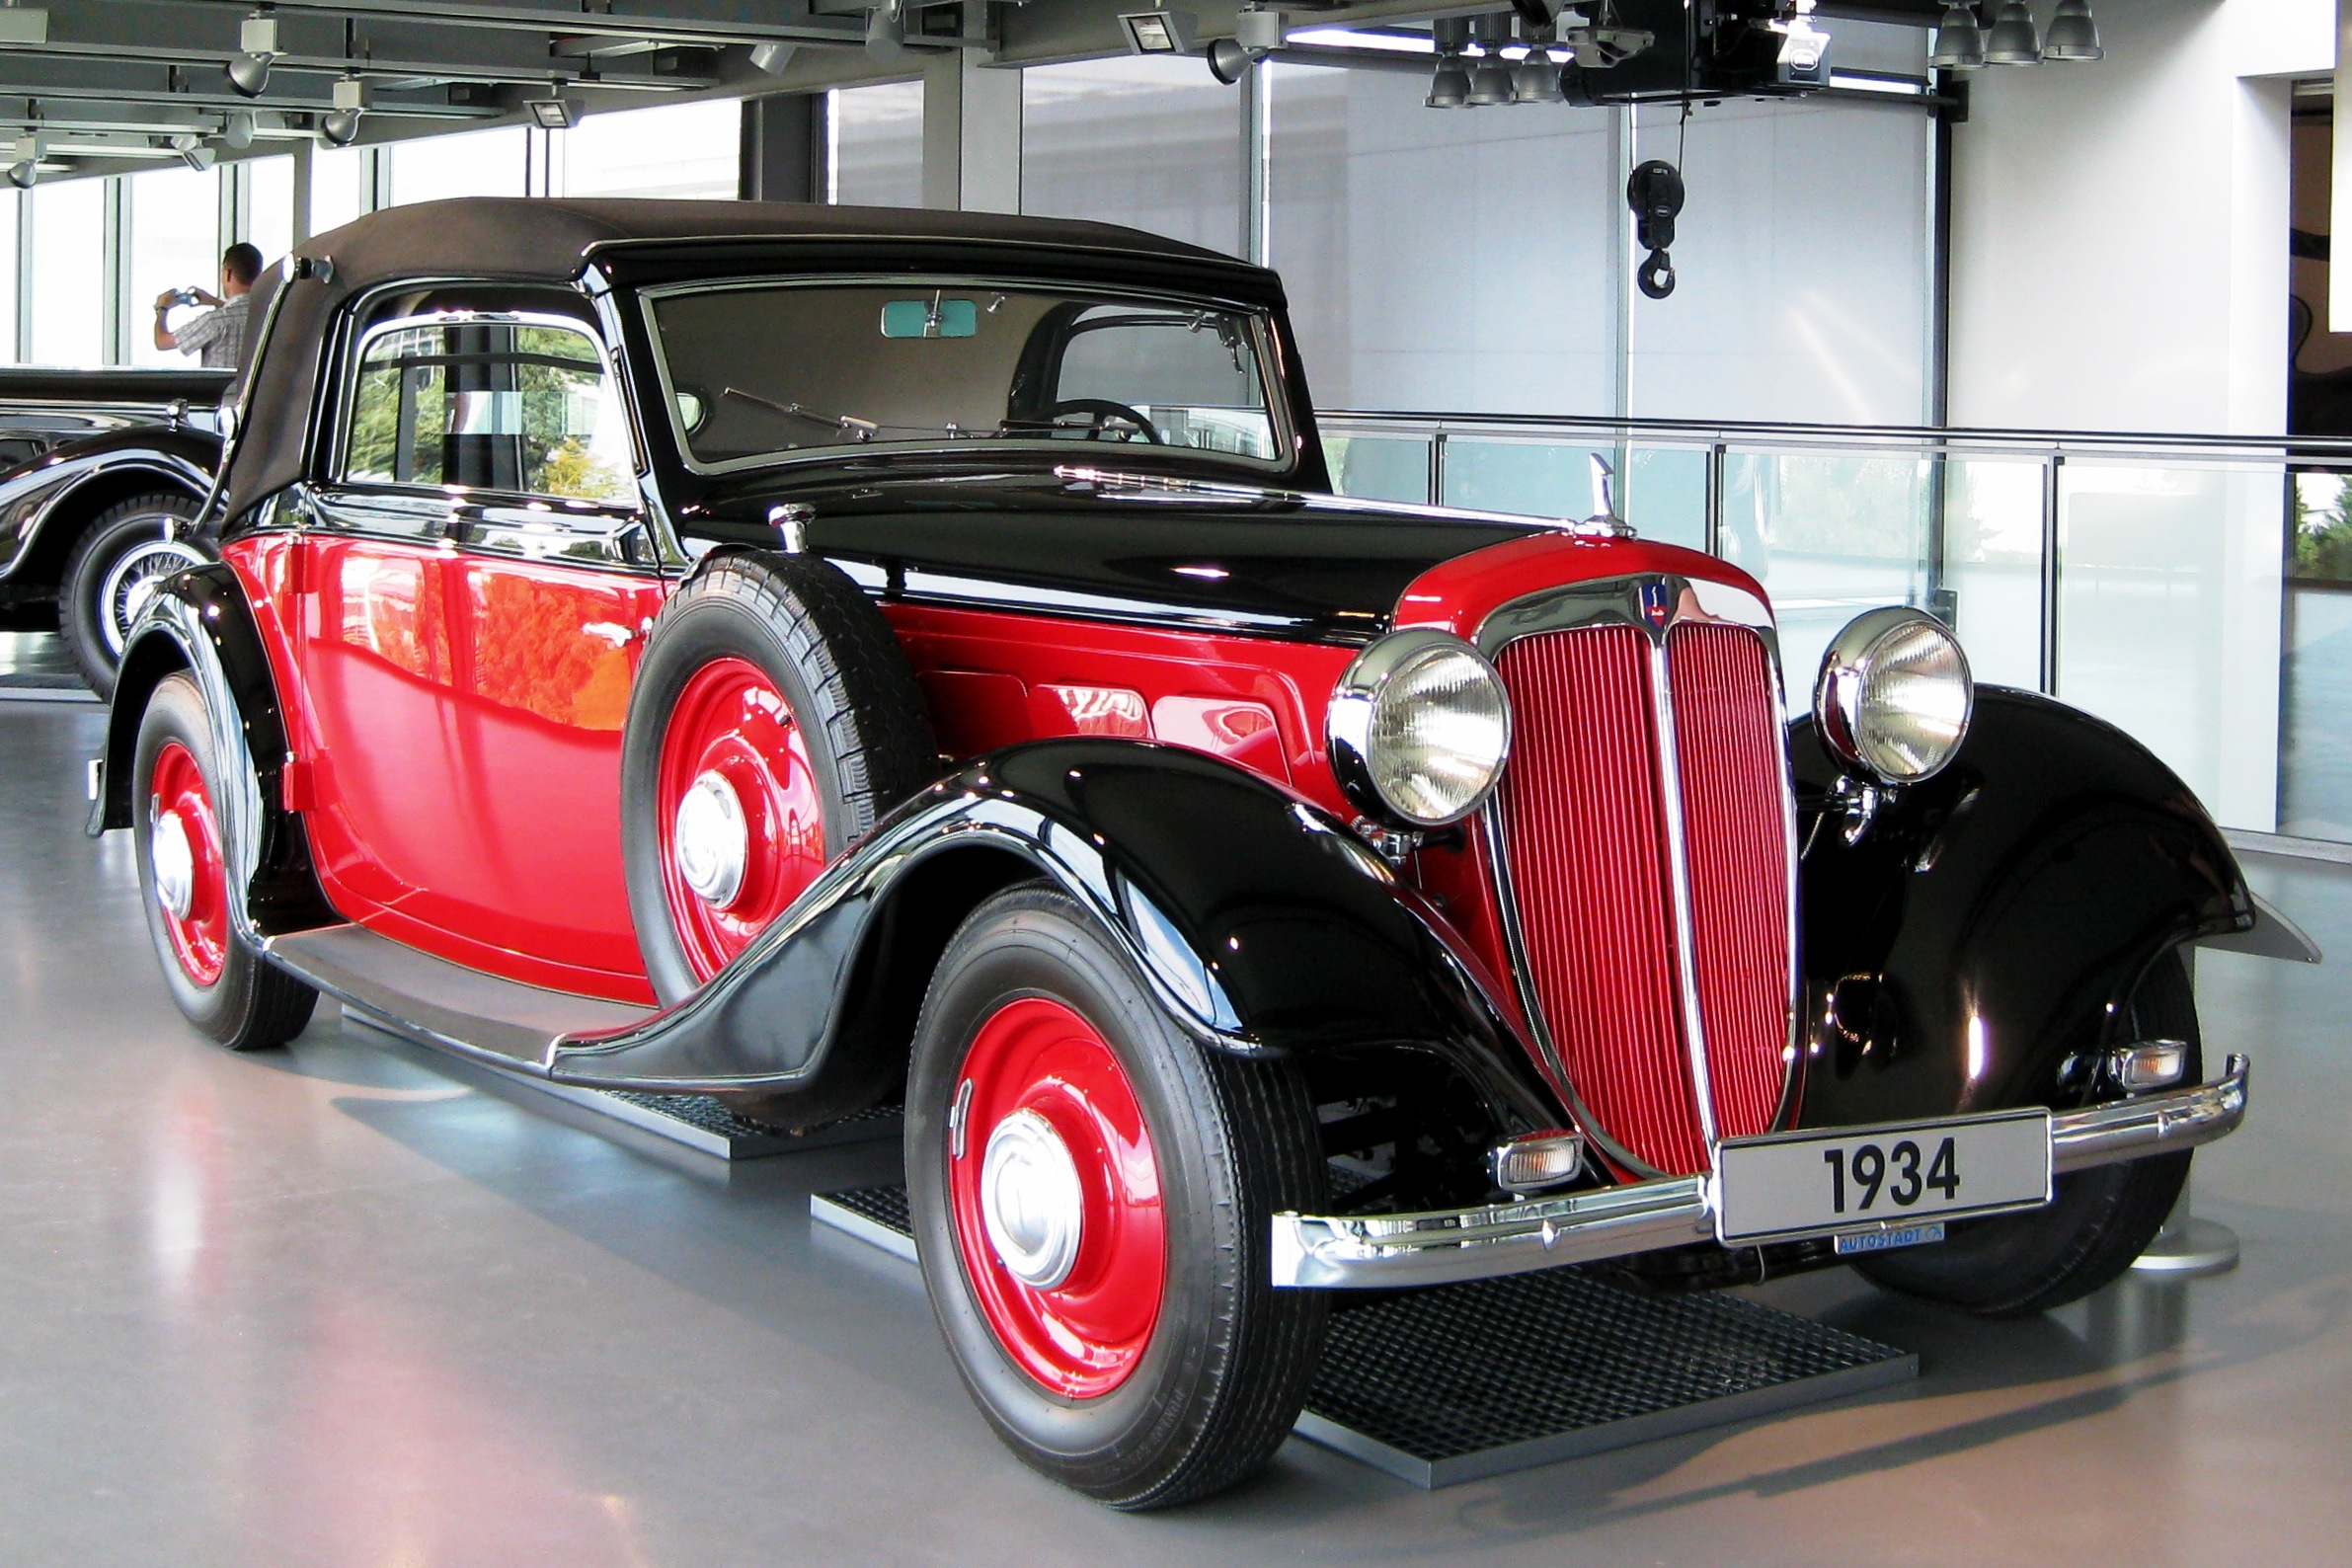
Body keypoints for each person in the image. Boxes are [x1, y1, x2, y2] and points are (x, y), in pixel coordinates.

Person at [154, 242, 265, 368]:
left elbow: (162, 342)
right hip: (264, 389)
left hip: (222, 388)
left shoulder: (213, 321)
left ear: (228, 274)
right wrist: (214, 301)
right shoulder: (271, 315)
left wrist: (162, 309)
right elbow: (240, 313)